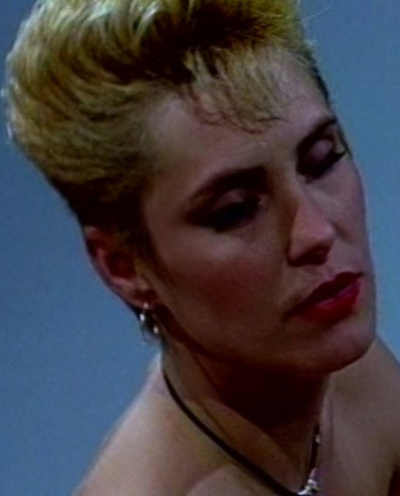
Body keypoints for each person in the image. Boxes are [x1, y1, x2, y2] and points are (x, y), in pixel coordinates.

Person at [5, 0, 400, 494]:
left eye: (321, 160)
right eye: (236, 210)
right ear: (125, 267)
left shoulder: (351, 375)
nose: (316, 233)